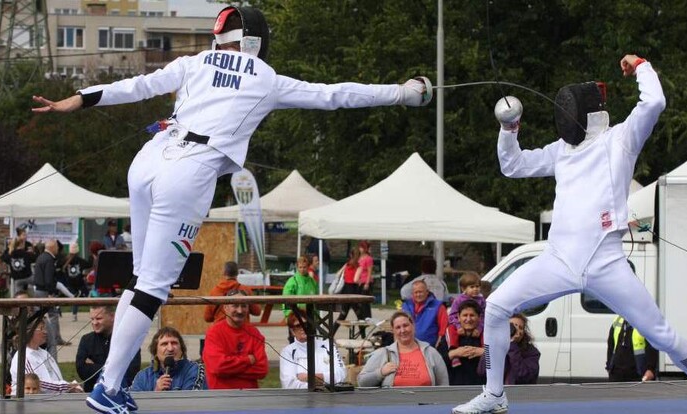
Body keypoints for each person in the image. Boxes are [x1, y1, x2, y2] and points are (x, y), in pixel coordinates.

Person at [32, 5, 430, 412]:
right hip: (188, 172)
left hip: (149, 160)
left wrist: (81, 98)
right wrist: (403, 92)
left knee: (140, 280)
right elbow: (335, 94)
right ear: (256, 41)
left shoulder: (195, 61)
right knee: (152, 286)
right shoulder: (266, 78)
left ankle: (113, 387)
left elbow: (138, 85)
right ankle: (108, 390)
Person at [453, 55, 687, 414]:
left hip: (606, 262)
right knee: (498, 306)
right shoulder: (562, 151)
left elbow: (655, 101)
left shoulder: (621, 140)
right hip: (558, 259)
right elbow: (513, 165)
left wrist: (641, 66)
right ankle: (494, 395)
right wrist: (509, 129)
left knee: (660, 333)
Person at [357, 311, 448, 387]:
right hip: (394, 406)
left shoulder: (431, 353)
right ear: (393, 330)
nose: (403, 330)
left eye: (405, 325)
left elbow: (444, 386)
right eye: (398, 327)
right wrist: (381, 372)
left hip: (426, 406)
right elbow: (361, 382)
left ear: (413, 325)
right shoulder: (383, 353)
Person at [202, 290, 268, 389]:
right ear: (225, 308)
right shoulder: (214, 333)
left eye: (244, 306)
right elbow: (217, 367)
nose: (240, 311)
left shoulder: (255, 333)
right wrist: (248, 360)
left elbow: (262, 370)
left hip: (249, 397)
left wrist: (228, 370)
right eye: (235, 306)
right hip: (221, 397)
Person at [76, 306, 141, 392]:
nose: (94, 323)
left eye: (99, 318)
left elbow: (131, 372)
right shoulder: (86, 340)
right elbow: (82, 370)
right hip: (92, 394)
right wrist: (115, 369)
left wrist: (95, 367)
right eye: (92, 319)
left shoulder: (128, 340)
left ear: (112, 317)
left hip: (120, 394)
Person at [10, 319, 83, 395]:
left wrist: (70, 387)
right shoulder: (23, 357)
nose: (45, 332)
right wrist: (67, 387)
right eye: (41, 328)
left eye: (45, 328)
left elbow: (56, 377)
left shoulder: (44, 353)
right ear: (30, 332)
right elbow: (37, 384)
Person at [279, 310, 347, 389]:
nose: (303, 328)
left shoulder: (328, 345)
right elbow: (289, 384)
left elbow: (341, 374)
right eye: (298, 326)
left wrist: (309, 377)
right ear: (292, 331)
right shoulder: (287, 352)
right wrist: (321, 384)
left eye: (305, 325)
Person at [131, 326, 207, 391]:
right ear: (155, 352)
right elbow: (132, 405)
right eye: (164, 344)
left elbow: (191, 402)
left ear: (181, 349)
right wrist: (155, 393)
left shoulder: (195, 370)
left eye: (174, 343)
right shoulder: (142, 377)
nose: (170, 348)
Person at [437, 300, 486, 385]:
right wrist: (454, 353)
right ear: (458, 318)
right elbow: (437, 362)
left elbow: (501, 360)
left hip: (481, 388)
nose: (468, 319)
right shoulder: (449, 337)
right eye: (465, 315)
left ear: (479, 318)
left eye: (472, 315)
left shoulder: (487, 337)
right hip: (454, 388)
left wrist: (483, 352)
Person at [446, 273, 487, 367]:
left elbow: (484, 317)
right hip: (458, 326)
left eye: (477, 286)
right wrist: (458, 326)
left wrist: (479, 329)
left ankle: (484, 353)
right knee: (450, 328)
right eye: (472, 287)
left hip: (478, 327)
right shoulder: (459, 300)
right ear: (463, 289)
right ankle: (454, 350)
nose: (475, 289)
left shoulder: (482, 300)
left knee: (487, 331)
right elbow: (452, 316)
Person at [606, 314, 658, 382]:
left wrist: (650, 369)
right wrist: (609, 366)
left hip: (637, 373)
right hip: (616, 373)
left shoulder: (645, 322)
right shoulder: (618, 319)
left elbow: (652, 346)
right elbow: (611, 344)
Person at [401, 279, 448, 347]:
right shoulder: (406, 305)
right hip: (409, 347)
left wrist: (438, 346)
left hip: (430, 348)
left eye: (420, 292)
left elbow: (443, 329)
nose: (418, 295)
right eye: (416, 292)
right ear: (412, 294)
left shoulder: (438, 306)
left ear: (427, 292)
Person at [504, 314, 540, 385]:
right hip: (497, 393)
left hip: (520, 393)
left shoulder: (532, 352)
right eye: (512, 326)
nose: (516, 330)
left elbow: (523, 375)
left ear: (523, 333)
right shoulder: (496, 347)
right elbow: (482, 371)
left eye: (520, 328)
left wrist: (512, 344)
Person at [1, 228, 37, 295]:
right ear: (19, 236)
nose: (25, 237)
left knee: (26, 290)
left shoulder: (28, 245)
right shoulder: (16, 250)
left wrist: (34, 249)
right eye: (23, 235)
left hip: (22, 276)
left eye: (26, 235)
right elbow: (34, 257)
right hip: (23, 276)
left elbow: (5, 258)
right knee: (21, 292)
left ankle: (29, 299)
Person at [63, 242, 91, 321]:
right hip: (80, 283)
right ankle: (92, 312)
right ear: (77, 251)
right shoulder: (80, 260)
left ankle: (74, 315)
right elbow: (89, 264)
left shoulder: (65, 261)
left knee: (74, 299)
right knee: (88, 296)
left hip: (70, 284)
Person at [354, 241, 375, 319]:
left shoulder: (368, 259)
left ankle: (367, 316)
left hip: (366, 281)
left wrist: (367, 283)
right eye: (360, 247)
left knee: (365, 301)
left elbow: (369, 271)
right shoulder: (359, 258)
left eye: (362, 247)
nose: (361, 249)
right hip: (359, 281)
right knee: (359, 301)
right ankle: (361, 316)